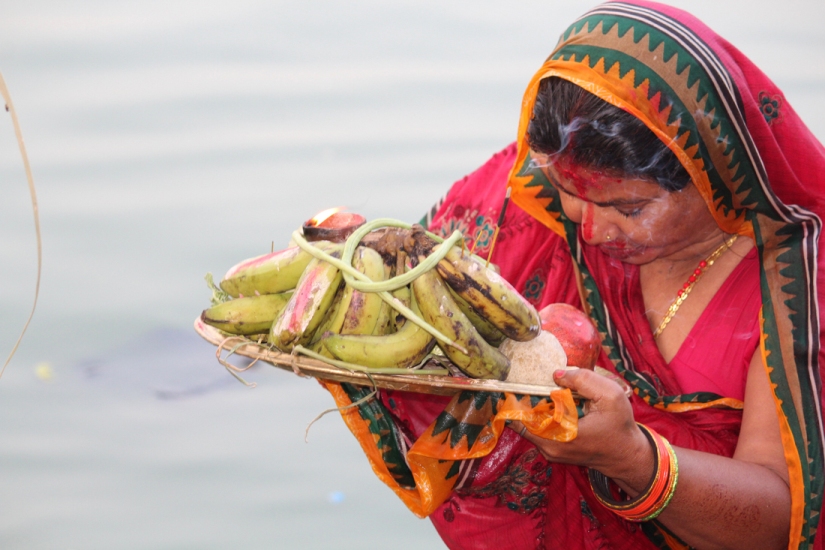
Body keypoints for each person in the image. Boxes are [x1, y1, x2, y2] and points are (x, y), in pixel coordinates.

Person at [322, 1, 825, 548]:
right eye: (571, 196)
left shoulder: (797, 280)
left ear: (714, 172)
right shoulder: (525, 198)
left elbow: (785, 522)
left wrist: (633, 458)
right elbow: (419, 309)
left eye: (629, 209)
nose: (592, 234)